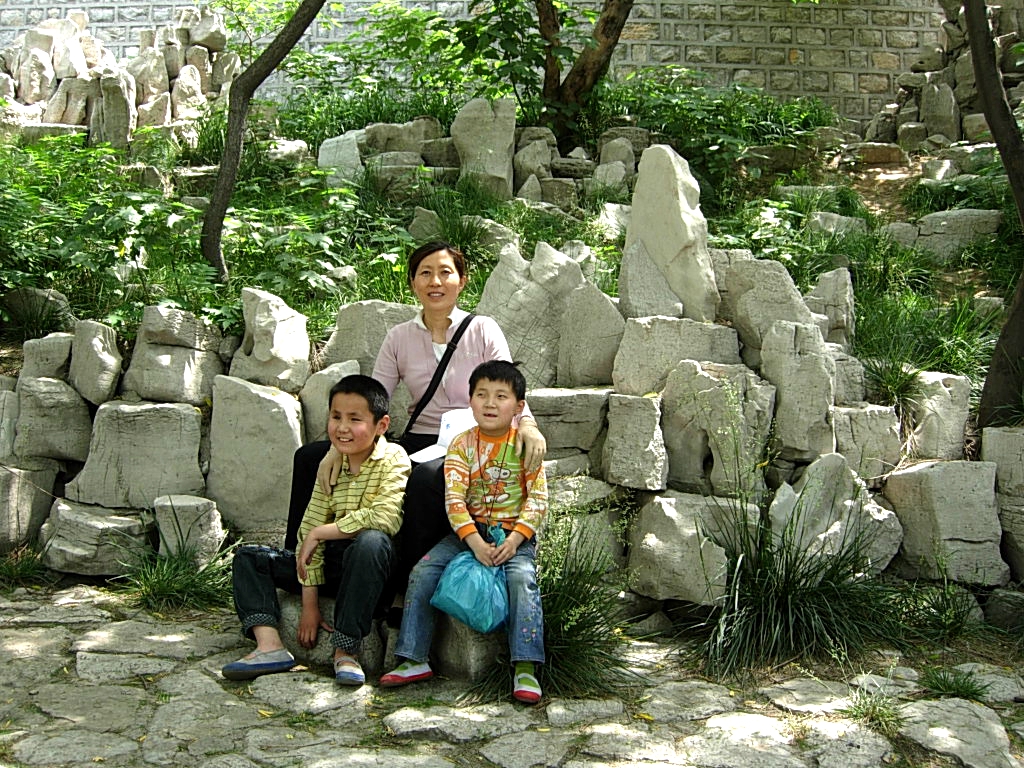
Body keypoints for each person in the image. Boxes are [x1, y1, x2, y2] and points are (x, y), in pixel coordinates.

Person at [285, 241, 547, 612]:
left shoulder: (483, 329)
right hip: (420, 437)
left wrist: (529, 425)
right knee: (309, 457)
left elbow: (509, 387)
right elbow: (373, 398)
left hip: (471, 441)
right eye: (425, 273)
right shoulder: (399, 337)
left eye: (445, 272)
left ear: (462, 281)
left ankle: (405, 587)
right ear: (412, 282)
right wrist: (335, 449)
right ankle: (298, 565)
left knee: (426, 478)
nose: (435, 281)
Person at [222, 375, 410, 685]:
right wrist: (309, 605)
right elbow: (309, 531)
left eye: (355, 419)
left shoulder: (393, 458)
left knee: (371, 542)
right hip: (331, 566)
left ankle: (346, 651)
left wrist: (321, 533)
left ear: (381, 425)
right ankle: (269, 645)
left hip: (368, 569)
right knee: (249, 558)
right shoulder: (332, 464)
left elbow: (385, 517)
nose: (342, 427)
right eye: (336, 417)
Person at [379, 360, 548, 704]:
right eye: (481, 394)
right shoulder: (461, 444)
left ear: (518, 407)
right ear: (469, 400)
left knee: (521, 580)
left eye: (501, 396)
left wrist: (516, 539)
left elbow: (538, 499)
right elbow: (454, 499)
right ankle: (414, 656)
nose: (490, 403)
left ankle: (525, 666)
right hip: (467, 533)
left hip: (514, 535)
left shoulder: (524, 445)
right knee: (424, 570)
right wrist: (473, 542)